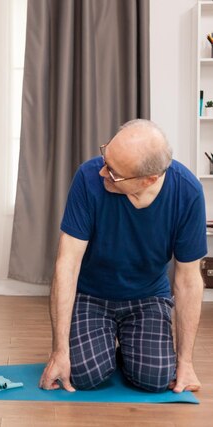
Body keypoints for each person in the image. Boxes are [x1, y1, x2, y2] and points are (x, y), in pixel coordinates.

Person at [39, 119, 205, 394]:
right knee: (83, 374)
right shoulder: (88, 177)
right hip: (91, 295)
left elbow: (188, 280)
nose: (103, 171)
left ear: (148, 179)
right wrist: (60, 350)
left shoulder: (187, 192)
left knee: (156, 379)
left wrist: (185, 362)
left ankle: (125, 351)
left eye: (114, 172)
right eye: (106, 158)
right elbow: (66, 264)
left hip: (148, 298)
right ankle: (104, 349)